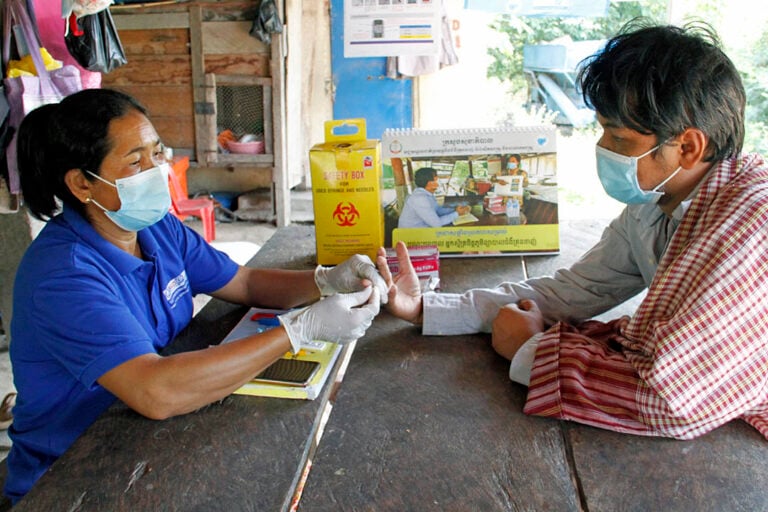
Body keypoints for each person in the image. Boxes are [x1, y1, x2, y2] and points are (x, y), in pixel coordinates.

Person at [378, 21, 768, 441]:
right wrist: (429, 309)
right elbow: (573, 290)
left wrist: (530, 351)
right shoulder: (655, 207)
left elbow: (673, 401)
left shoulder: (746, 223)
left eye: (618, 139)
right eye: (602, 130)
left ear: (688, 147)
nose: (603, 149)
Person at [5, 88, 386, 503]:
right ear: (82, 184)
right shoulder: (64, 276)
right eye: (135, 162)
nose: (155, 171)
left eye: (156, 153)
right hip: (72, 474)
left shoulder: (155, 230)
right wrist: (300, 330)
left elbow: (245, 283)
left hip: (149, 440)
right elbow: (157, 392)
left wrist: (327, 280)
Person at [398, 167, 470, 228]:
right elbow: (437, 224)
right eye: (436, 179)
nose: (438, 182)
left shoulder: (427, 194)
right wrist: (457, 213)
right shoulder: (420, 199)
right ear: (429, 183)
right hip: (411, 236)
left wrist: (454, 209)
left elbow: (437, 210)